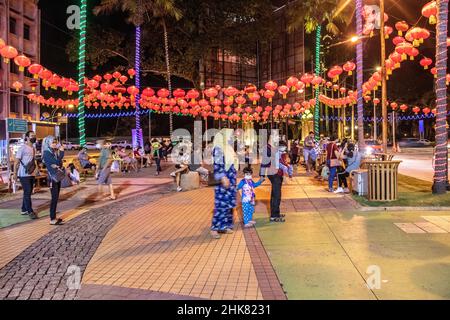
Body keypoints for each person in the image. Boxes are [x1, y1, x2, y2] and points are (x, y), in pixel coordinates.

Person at [210, 129, 238, 239]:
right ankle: (215, 228)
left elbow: (233, 161)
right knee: (221, 205)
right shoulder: (218, 148)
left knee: (229, 204)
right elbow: (217, 164)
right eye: (230, 135)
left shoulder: (228, 148)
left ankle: (226, 225)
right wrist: (223, 177)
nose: (231, 137)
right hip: (224, 180)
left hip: (231, 179)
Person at [260, 136, 286, 222]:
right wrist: (262, 175)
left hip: (277, 174)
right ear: (270, 138)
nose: (277, 139)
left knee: (275, 194)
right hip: (274, 174)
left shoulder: (273, 148)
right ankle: (274, 215)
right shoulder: (267, 148)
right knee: (276, 195)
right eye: (275, 137)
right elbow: (264, 162)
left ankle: (276, 213)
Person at [13, 130, 38, 219]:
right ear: (27, 137)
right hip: (23, 174)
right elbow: (16, 162)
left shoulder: (33, 148)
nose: (34, 137)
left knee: (29, 192)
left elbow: (33, 161)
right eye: (32, 136)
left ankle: (23, 209)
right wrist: (15, 174)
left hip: (31, 173)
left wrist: (36, 170)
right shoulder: (22, 148)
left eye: (34, 135)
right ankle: (30, 211)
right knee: (27, 192)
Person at [42, 136, 65, 225]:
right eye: (53, 143)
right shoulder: (47, 152)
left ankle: (54, 217)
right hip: (52, 178)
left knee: (56, 198)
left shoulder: (53, 152)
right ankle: (52, 219)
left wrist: (58, 161)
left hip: (56, 176)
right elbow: (57, 162)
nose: (55, 144)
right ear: (48, 143)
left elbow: (59, 163)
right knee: (54, 198)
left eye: (55, 142)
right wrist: (61, 152)